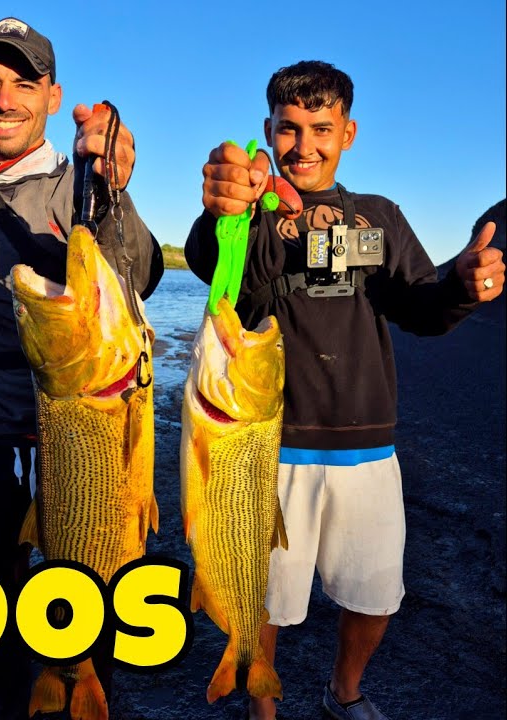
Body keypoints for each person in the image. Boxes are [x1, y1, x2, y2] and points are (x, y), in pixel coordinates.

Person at [185, 60, 503, 720]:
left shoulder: (378, 217)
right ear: (268, 130)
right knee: (263, 599)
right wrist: (227, 212)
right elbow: (221, 278)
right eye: (289, 128)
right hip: (269, 450)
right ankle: (262, 708)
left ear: (348, 133)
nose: (303, 145)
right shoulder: (252, 214)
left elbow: (421, 307)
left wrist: (462, 288)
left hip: (367, 451)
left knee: (374, 596)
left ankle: (345, 692)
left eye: (321, 129)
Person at [0, 17, 162, 719]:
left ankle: (90, 687)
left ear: (53, 96)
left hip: (81, 418)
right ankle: (12, 699)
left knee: (91, 573)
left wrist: (113, 190)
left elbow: (137, 274)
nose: (6, 99)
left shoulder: (82, 184)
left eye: (25, 82)